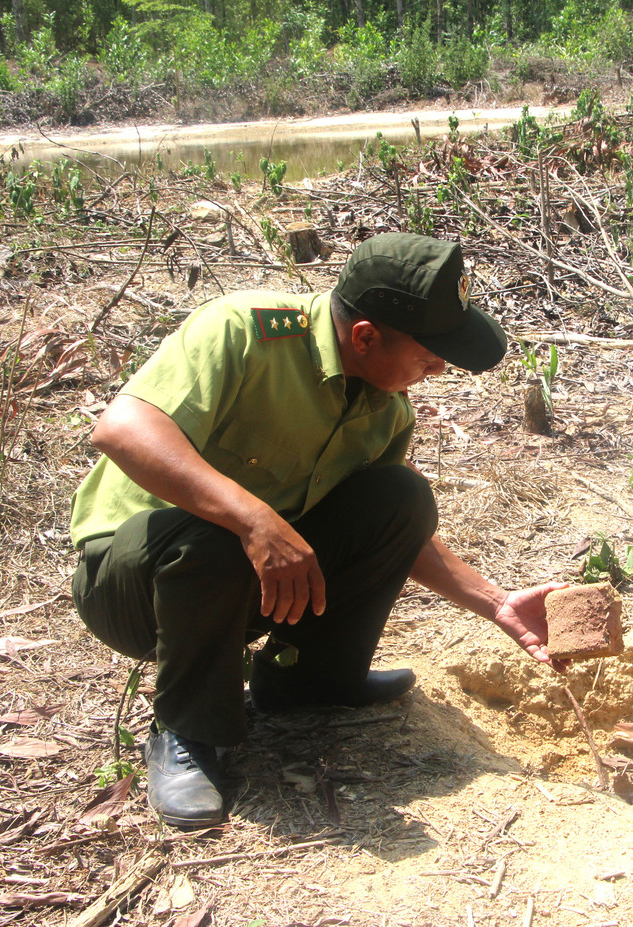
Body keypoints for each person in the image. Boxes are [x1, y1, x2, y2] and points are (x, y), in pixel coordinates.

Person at [69, 233, 565, 828]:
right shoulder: (243, 332)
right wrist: (254, 520)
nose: (439, 368)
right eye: (431, 353)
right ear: (365, 337)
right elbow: (120, 429)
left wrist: (496, 602)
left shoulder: (384, 407)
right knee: (220, 530)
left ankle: (309, 683)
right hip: (135, 585)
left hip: (243, 585)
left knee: (401, 495)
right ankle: (187, 731)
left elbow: (395, 533)